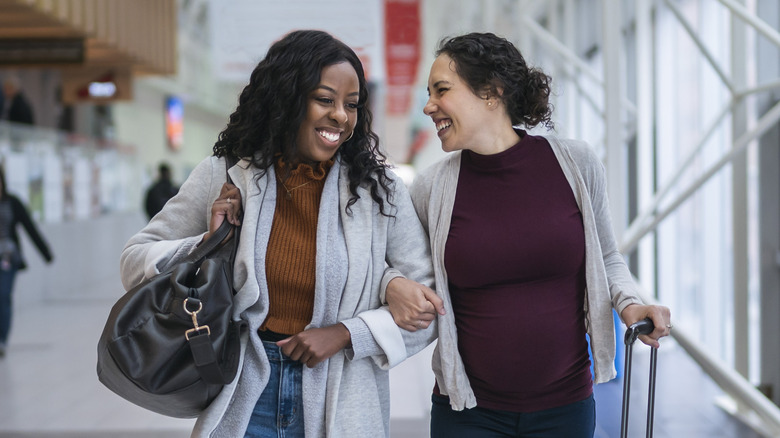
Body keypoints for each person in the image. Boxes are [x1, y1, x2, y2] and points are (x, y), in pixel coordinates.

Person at [119, 30, 437, 438]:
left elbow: (429, 307)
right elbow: (134, 260)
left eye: (351, 105)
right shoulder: (225, 174)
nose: (341, 116)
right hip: (243, 394)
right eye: (325, 99)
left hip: (340, 399)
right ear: (287, 98)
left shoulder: (378, 190)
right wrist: (205, 245)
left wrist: (346, 333)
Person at [385, 32, 673, 438]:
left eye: (441, 91)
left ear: (491, 92)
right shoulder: (431, 190)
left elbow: (606, 255)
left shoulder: (575, 163)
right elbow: (398, 270)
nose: (428, 106)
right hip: (468, 412)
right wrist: (392, 282)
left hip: (566, 407)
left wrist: (631, 305)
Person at [0, 167, 53, 357]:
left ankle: (2, 341)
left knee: (3, 295)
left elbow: (29, 227)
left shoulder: (13, 203)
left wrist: (45, 252)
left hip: (8, 258)